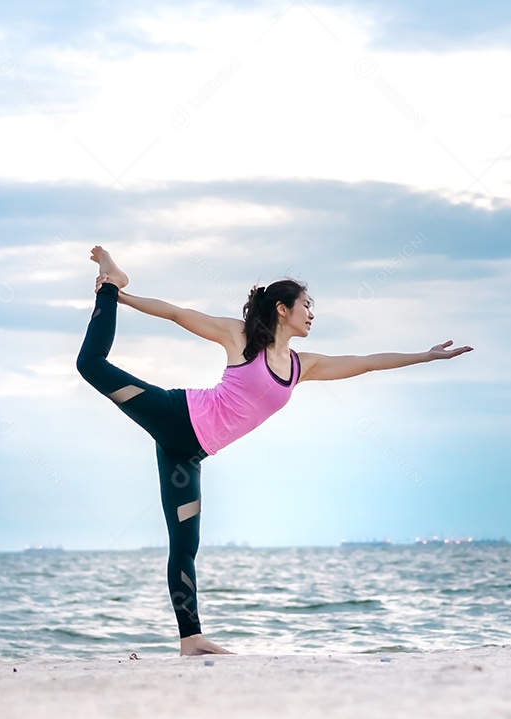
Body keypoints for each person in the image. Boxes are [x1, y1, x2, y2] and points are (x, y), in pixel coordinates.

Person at [75, 246, 473, 655]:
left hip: (190, 455)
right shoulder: (242, 338)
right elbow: (178, 314)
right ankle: (112, 280)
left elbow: (366, 362)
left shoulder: (303, 366)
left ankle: (191, 640)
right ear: (283, 309)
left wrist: (426, 356)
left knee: (184, 545)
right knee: (90, 365)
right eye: (307, 305)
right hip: (176, 416)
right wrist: (120, 296)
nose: (312, 314)